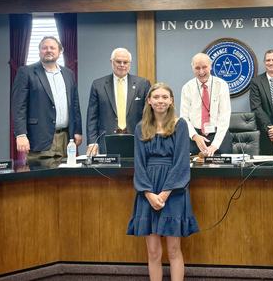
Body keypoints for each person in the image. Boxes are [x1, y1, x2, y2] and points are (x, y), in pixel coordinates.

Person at [127, 83, 199, 281]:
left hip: (173, 191)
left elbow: (181, 163)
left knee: (174, 250)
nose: (160, 101)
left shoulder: (180, 124)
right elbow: (139, 164)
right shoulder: (141, 127)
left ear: (171, 100)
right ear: (149, 101)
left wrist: (165, 193)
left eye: (165, 97)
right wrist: (149, 194)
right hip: (147, 190)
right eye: (156, 97)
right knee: (153, 251)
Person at [12, 36, 82, 163]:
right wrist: (21, 135)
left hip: (66, 140)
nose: (48, 50)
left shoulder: (68, 74)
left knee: (66, 180)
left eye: (52, 48)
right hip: (39, 139)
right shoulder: (26, 72)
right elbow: (18, 106)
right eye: (44, 48)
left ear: (60, 51)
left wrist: (77, 131)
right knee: (40, 181)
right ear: (39, 51)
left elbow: (75, 105)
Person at [86, 47, 150, 155]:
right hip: (107, 140)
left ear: (130, 64)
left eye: (125, 62)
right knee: (109, 171)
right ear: (111, 62)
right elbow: (92, 117)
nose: (122, 65)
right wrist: (92, 142)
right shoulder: (98, 85)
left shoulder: (142, 84)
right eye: (118, 61)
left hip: (136, 139)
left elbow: (148, 115)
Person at [180, 52, 232, 156]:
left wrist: (215, 145)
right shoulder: (187, 88)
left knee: (224, 169)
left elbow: (224, 117)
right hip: (195, 136)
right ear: (192, 68)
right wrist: (195, 136)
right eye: (197, 68)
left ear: (211, 66)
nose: (201, 71)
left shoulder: (221, 85)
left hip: (219, 135)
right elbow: (184, 117)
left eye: (204, 67)